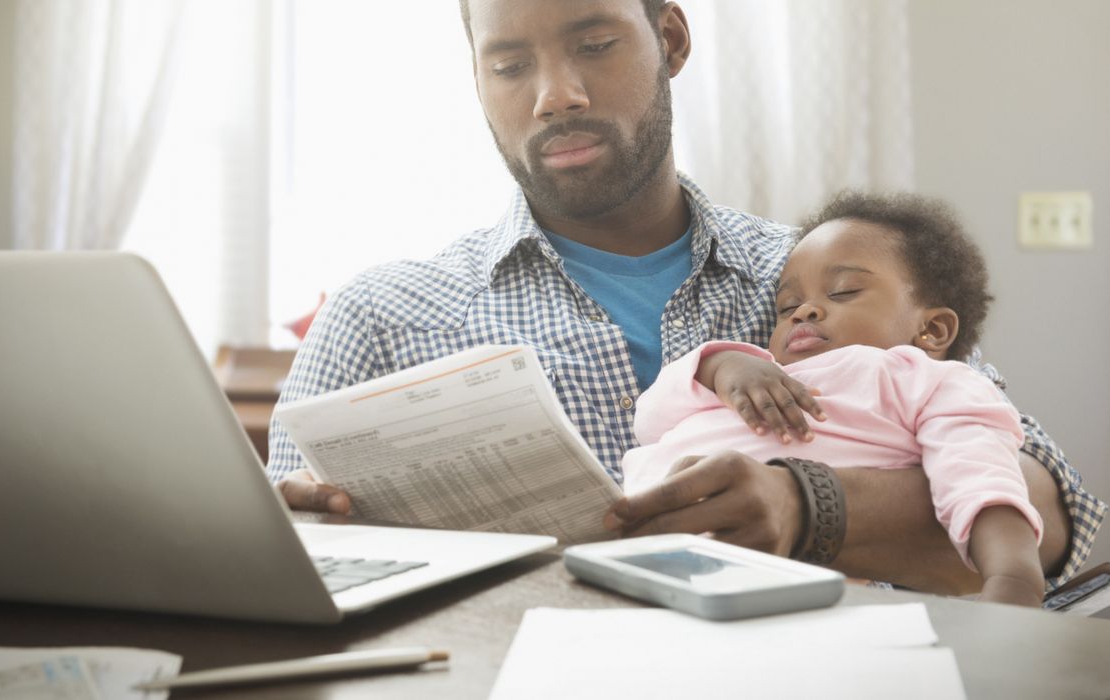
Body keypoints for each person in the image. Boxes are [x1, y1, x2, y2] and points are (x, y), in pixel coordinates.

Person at [269, 0, 1104, 595]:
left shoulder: (829, 281)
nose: (555, 94)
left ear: (668, 37)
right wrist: (288, 532)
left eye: (594, 43)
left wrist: (808, 504)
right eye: (509, 64)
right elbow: (279, 562)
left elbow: (1056, 510)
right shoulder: (378, 315)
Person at [622, 191, 1045, 605]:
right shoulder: (761, 372)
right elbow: (650, 423)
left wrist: (1014, 577)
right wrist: (720, 366)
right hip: (625, 556)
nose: (804, 312)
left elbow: (980, 475)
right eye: (787, 307)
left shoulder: (929, 381)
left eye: (842, 292)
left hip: (763, 582)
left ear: (932, 330)